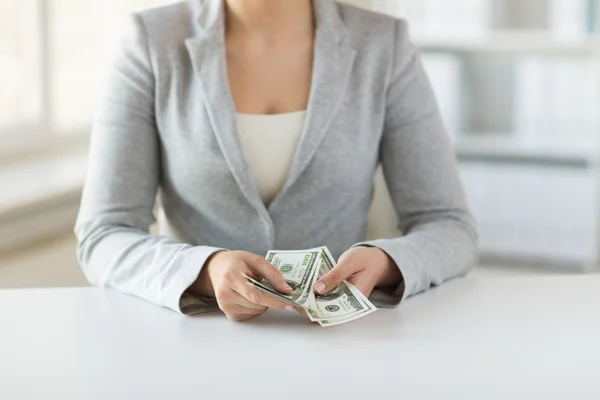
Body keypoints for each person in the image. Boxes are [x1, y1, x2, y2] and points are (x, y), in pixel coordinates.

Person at [75, 0, 478, 321]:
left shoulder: (383, 44)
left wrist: (389, 263)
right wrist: (204, 270)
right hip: (195, 344)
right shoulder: (150, 41)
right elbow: (104, 233)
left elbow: (450, 226)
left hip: (342, 349)